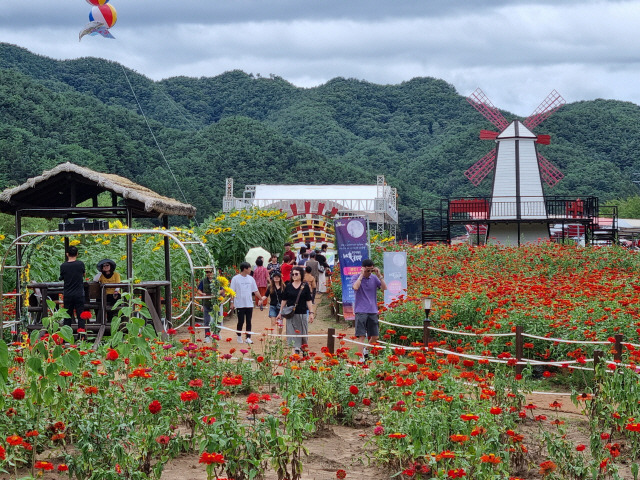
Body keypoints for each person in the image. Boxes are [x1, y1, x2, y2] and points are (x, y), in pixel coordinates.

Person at [352, 258, 387, 361]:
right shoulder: (356, 277)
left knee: (375, 336)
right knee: (361, 335)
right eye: (368, 270)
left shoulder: (374, 278)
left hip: (373, 310)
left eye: (371, 270)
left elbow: (384, 288)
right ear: (363, 269)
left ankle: (366, 350)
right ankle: (360, 357)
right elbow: (355, 287)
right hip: (361, 310)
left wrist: (379, 275)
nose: (369, 272)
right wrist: (362, 275)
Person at [277, 266, 313, 355]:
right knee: (291, 333)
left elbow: (309, 300)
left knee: (303, 333)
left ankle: (303, 349)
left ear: (301, 274)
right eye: (292, 274)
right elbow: (284, 300)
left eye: (296, 274)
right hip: (291, 314)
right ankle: (294, 353)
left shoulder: (305, 286)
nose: (294, 276)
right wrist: (280, 312)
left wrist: (311, 313)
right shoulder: (288, 286)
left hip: (302, 313)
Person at [229, 262, 262, 344]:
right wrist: (232, 302)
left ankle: (248, 337)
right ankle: (239, 336)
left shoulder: (251, 279)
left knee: (249, 321)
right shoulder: (235, 279)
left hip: (249, 304)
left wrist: (261, 299)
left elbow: (255, 290)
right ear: (245, 269)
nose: (250, 270)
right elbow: (232, 292)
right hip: (240, 304)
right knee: (240, 321)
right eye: (249, 268)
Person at [59, 246, 86, 338]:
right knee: (81, 316)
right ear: (77, 254)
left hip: (68, 294)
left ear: (67, 254)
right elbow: (84, 274)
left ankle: (66, 337)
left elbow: (61, 277)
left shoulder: (63, 266)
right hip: (79, 293)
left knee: (67, 316)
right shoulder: (80, 264)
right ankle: (81, 336)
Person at [196, 266, 217, 342]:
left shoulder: (216, 281)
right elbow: (199, 290)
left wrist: (217, 293)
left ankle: (216, 334)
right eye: (207, 272)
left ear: (212, 272)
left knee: (217, 320)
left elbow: (222, 290)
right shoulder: (203, 281)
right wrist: (202, 294)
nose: (208, 274)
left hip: (215, 303)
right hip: (206, 303)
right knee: (207, 320)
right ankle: (207, 336)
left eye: (209, 272)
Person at [262, 271, 285, 336]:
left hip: (281, 307)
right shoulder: (270, 287)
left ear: (280, 278)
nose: (276, 278)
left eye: (278, 277)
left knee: (280, 324)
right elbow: (266, 295)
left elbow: (286, 297)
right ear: (273, 278)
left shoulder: (283, 287)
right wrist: (261, 300)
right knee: (273, 323)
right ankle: (274, 337)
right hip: (273, 306)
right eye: (275, 277)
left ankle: (279, 336)